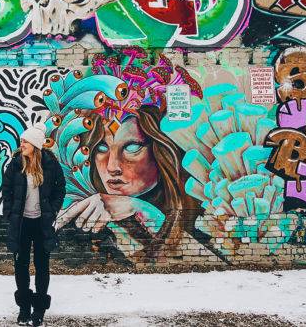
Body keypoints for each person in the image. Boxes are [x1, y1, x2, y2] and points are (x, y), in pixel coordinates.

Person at [55, 106, 202, 262]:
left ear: (161, 150)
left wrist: (145, 211)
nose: (112, 167)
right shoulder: (86, 223)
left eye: (132, 147)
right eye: (102, 147)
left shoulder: (205, 206)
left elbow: (200, 266)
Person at [2, 123, 66, 326]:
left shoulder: (50, 163)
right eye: (21, 141)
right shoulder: (15, 163)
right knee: (21, 266)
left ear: (35, 145)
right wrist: (10, 213)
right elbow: (7, 190)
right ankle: (23, 309)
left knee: (41, 266)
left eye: (25, 141)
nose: (21, 144)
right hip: (21, 224)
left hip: (42, 224)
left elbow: (60, 188)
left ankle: (39, 310)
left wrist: (52, 210)